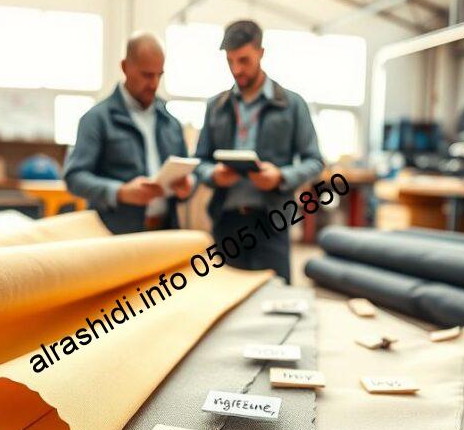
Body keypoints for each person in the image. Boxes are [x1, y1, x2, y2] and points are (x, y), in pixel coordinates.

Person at [193, 20, 323, 282]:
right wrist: (213, 175)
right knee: (227, 295)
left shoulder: (292, 105)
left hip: (272, 222)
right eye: (230, 61)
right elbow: (199, 161)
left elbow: (315, 161)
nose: (236, 69)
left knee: (274, 297)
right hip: (226, 222)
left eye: (244, 60)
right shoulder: (216, 107)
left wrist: (281, 177)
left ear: (261, 53)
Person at [64, 32, 194, 234]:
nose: (154, 84)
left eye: (159, 75)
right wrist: (120, 192)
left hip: (165, 234)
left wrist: (187, 187)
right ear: (125, 67)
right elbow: (74, 177)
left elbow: (187, 174)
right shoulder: (97, 119)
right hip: (115, 236)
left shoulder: (170, 122)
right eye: (147, 75)